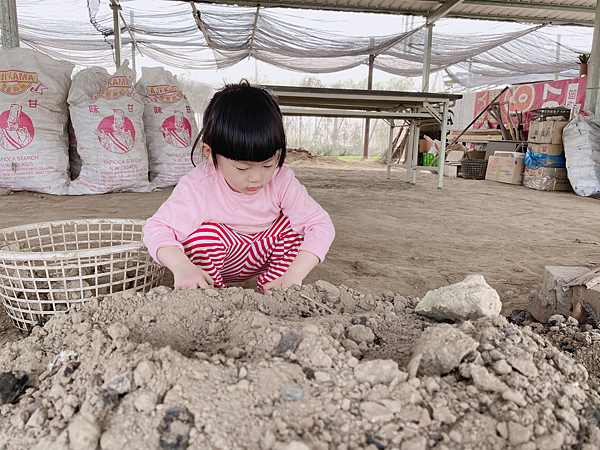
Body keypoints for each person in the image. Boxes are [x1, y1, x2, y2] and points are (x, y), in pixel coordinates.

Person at [143, 81, 335, 292]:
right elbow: (157, 229)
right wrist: (181, 266)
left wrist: (295, 275)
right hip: (222, 259)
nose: (256, 178)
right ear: (210, 153)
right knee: (199, 237)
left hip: (265, 250)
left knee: (298, 231)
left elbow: (321, 225)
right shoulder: (199, 185)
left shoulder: (283, 181)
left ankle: (278, 291)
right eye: (242, 168)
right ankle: (214, 296)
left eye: (268, 164)